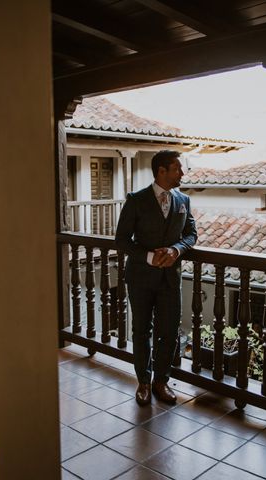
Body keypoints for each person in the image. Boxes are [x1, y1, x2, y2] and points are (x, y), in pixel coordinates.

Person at [115, 150, 197, 406]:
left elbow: (191, 233)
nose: (182, 173)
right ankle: (143, 383)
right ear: (161, 170)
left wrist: (176, 250)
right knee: (141, 331)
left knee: (170, 332)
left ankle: (162, 382)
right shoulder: (136, 200)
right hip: (140, 276)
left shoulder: (183, 200)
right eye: (177, 169)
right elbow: (121, 240)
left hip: (170, 278)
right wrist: (149, 256)